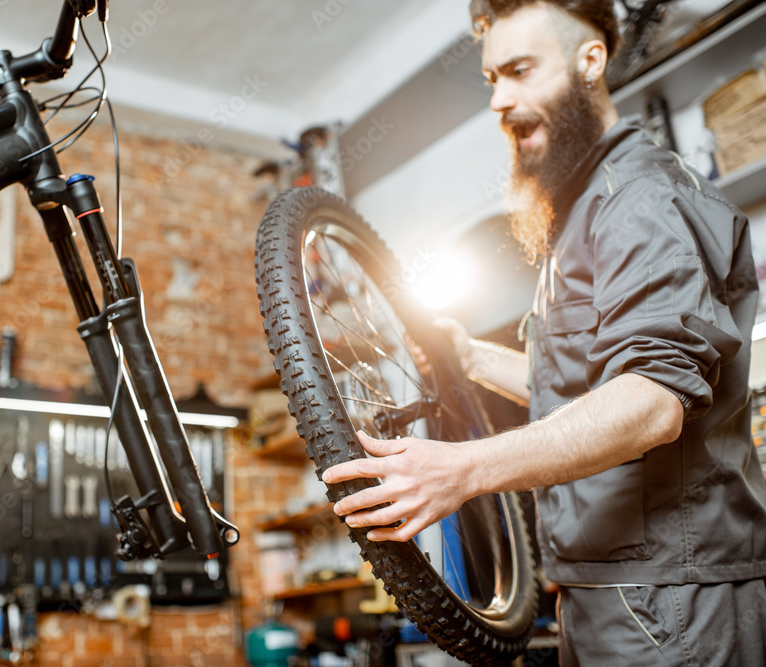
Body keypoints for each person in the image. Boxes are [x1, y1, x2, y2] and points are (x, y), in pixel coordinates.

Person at [321, 0, 766, 663]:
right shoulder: (584, 211)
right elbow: (577, 391)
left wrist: (466, 469)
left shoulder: (637, 201)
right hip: (608, 589)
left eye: (521, 70)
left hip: (671, 596)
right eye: (491, 77)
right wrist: (467, 355)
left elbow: (650, 402)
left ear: (590, 61)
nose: (500, 98)